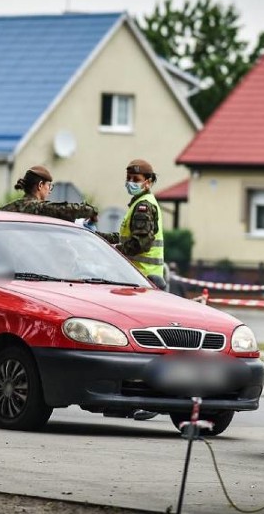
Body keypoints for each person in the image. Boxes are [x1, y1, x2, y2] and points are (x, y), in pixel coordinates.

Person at [100, 159, 165, 423]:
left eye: (136, 180)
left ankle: (151, 399)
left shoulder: (143, 206)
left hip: (142, 283)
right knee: (134, 347)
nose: (131, 183)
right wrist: (102, 239)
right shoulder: (140, 204)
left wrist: (111, 253)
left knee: (146, 350)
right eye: (129, 178)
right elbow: (130, 238)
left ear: (148, 181)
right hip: (142, 283)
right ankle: (130, 400)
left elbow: (139, 243)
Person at [0, 165, 99, 223]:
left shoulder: (5, 210)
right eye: (49, 186)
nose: (50, 190)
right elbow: (68, 210)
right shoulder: (38, 208)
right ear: (40, 185)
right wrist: (92, 210)